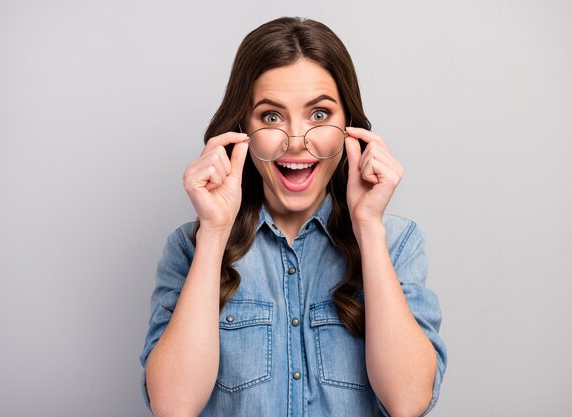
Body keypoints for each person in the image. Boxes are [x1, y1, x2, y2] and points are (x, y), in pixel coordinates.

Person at [139, 16, 447, 417]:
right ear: (241, 130)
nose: (296, 143)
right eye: (271, 117)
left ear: (349, 129)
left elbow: (408, 402)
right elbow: (172, 407)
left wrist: (368, 227)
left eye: (319, 115)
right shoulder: (190, 247)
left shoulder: (397, 242)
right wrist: (214, 233)